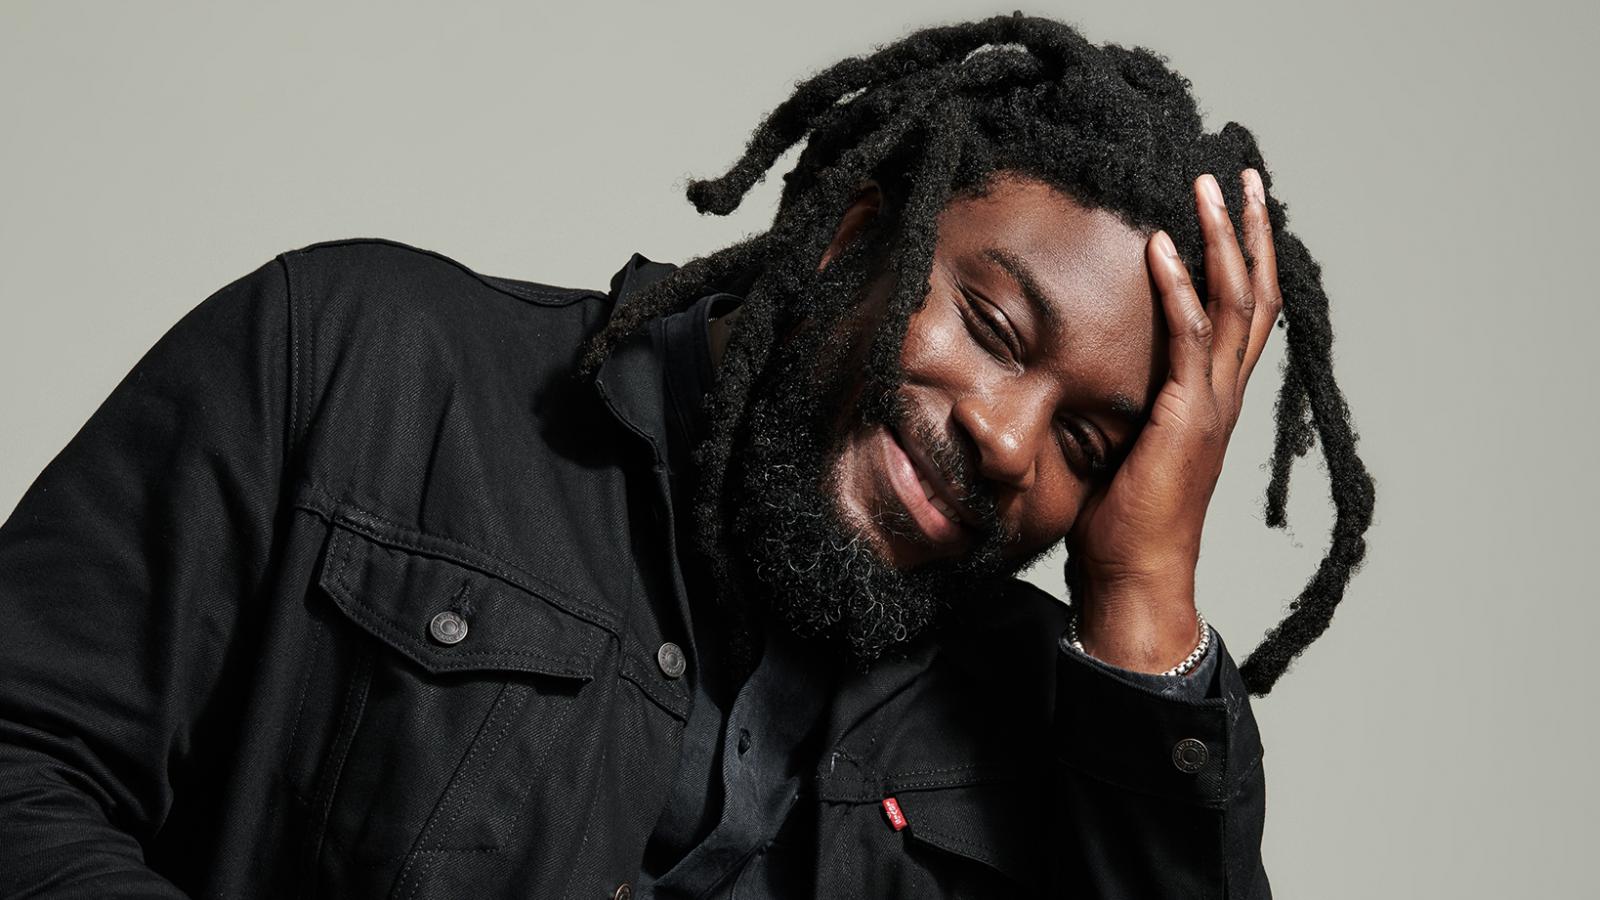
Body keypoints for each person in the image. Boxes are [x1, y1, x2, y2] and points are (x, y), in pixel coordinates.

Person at [0, 13, 1375, 899]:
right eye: (995, 327)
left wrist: (1144, 604)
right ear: (856, 240)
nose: (1009, 442)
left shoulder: (1050, 727)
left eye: (1089, 438)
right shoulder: (362, 361)